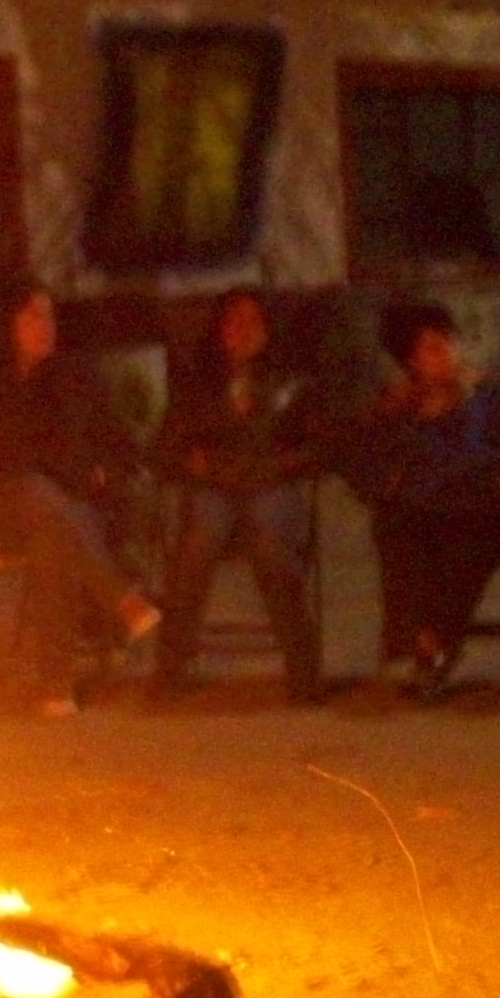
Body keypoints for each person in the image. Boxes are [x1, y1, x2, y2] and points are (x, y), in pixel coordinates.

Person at [0, 280, 157, 715]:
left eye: (48, 315)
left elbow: (122, 446)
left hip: (69, 515)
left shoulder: (76, 380)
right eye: (31, 315)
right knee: (33, 491)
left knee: (52, 536)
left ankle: (56, 688)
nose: (44, 325)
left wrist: (104, 474)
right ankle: (119, 595)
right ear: (6, 324)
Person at [345, 302, 500, 699]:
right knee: (398, 531)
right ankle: (423, 646)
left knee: (462, 540)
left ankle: (427, 644)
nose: (444, 352)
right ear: (412, 360)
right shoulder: (400, 408)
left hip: (481, 511)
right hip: (420, 510)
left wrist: (464, 413)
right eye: (431, 347)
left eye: (448, 342)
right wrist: (389, 480)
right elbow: (365, 462)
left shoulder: (492, 396)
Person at [152, 288, 325, 703]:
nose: (244, 330)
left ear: (267, 330)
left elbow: (318, 444)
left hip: (271, 483)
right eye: (234, 321)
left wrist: (278, 466)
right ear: (219, 329)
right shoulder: (199, 380)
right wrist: (195, 463)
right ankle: (171, 666)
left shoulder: (292, 379)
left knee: (268, 539)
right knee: (198, 540)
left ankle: (303, 668)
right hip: (216, 484)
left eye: (253, 321)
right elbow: (169, 445)